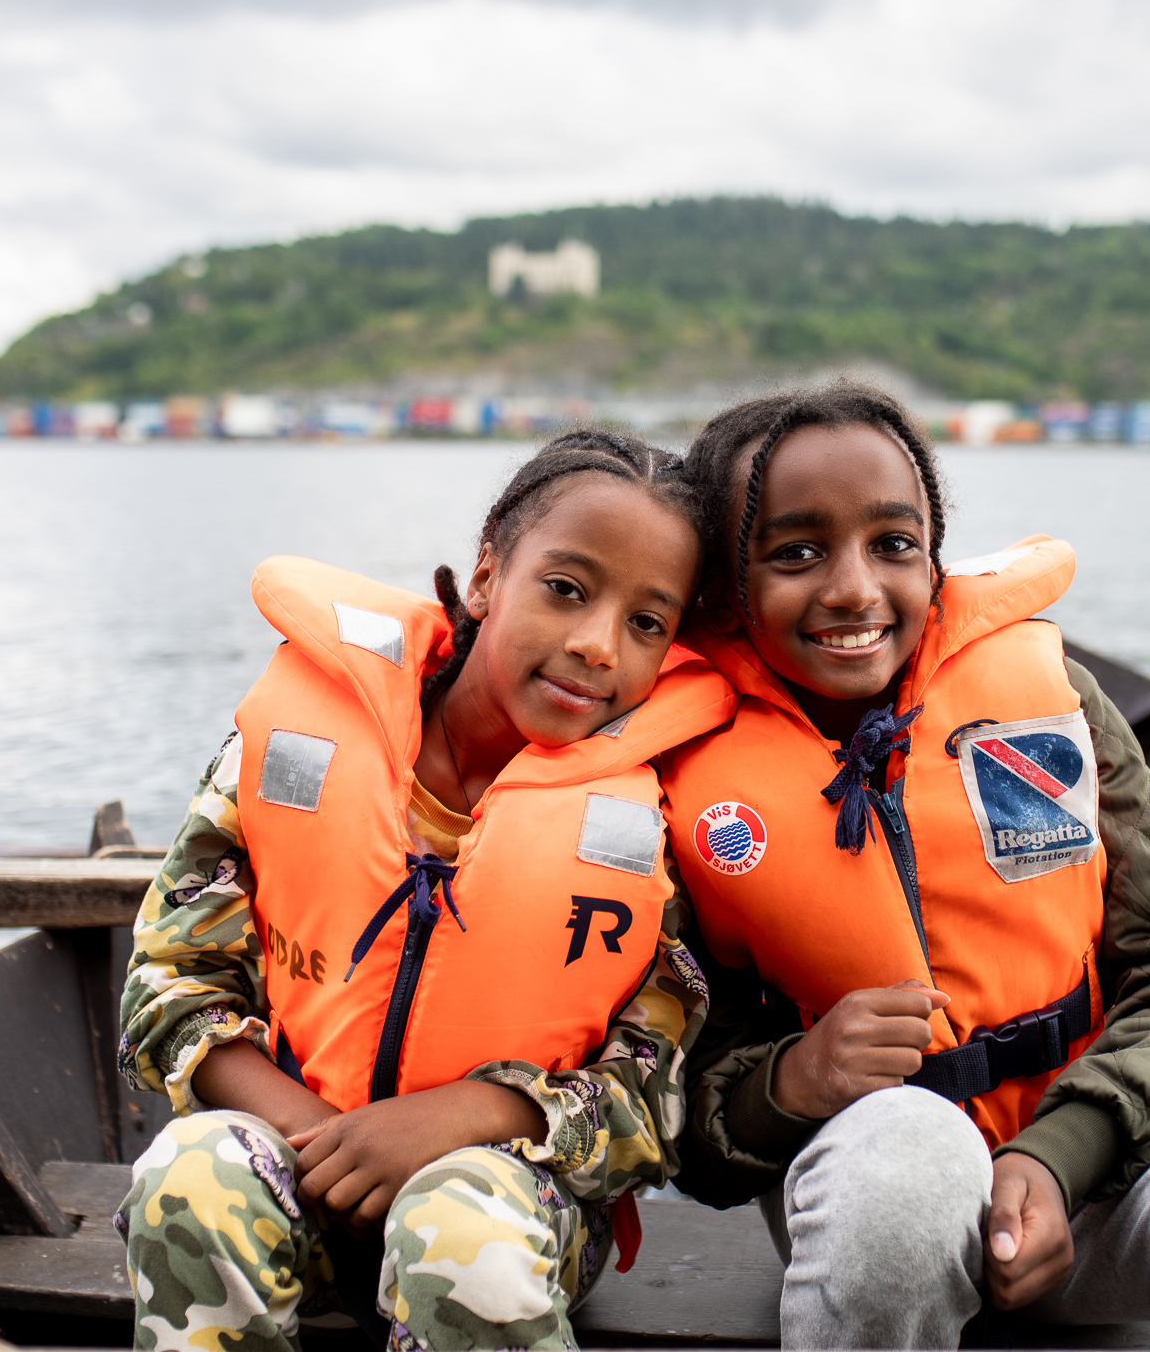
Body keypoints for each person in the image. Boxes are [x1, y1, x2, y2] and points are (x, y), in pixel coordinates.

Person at [658, 383, 1150, 1350]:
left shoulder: (1049, 705)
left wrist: (1058, 1157)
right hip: (869, 1206)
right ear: (722, 586)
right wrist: (796, 1076)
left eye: (893, 544)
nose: (852, 588)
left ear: (934, 558)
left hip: (1101, 1179)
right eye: (795, 553)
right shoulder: (678, 771)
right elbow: (681, 1116)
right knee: (908, 1164)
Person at [115, 431, 735, 1352]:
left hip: (518, 1207)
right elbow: (166, 991)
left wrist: (464, 1118)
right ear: (486, 577)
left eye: (647, 623)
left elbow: (652, 1098)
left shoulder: (655, 819)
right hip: (292, 1163)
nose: (596, 645)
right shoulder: (290, 748)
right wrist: (330, 1145)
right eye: (564, 589)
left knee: (460, 1227)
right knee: (188, 1167)